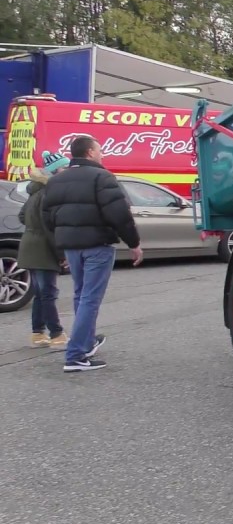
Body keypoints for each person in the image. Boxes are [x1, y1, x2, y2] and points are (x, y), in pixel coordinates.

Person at [42, 135, 144, 372]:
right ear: (89, 152)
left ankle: (86, 342)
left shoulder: (56, 181)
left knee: (81, 295)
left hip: (71, 247)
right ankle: (76, 354)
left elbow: (47, 218)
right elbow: (119, 214)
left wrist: (61, 247)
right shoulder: (101, 177)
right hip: (97, 245)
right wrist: (134, 243)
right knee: (90, 298)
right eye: (99, 150)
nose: (102, 154)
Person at [18, 151, 70, 348]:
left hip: (29, 244)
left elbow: (22, 216)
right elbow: (50, 227)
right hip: (43, 248)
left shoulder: (35, 191)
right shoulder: (49, 193)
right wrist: (61, 254)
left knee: (41, 293)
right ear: (55, 171)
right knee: (48, 293)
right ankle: (57, 334)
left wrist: (33, 229)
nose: (68, 171)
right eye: (64, 168)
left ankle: (38, 333)